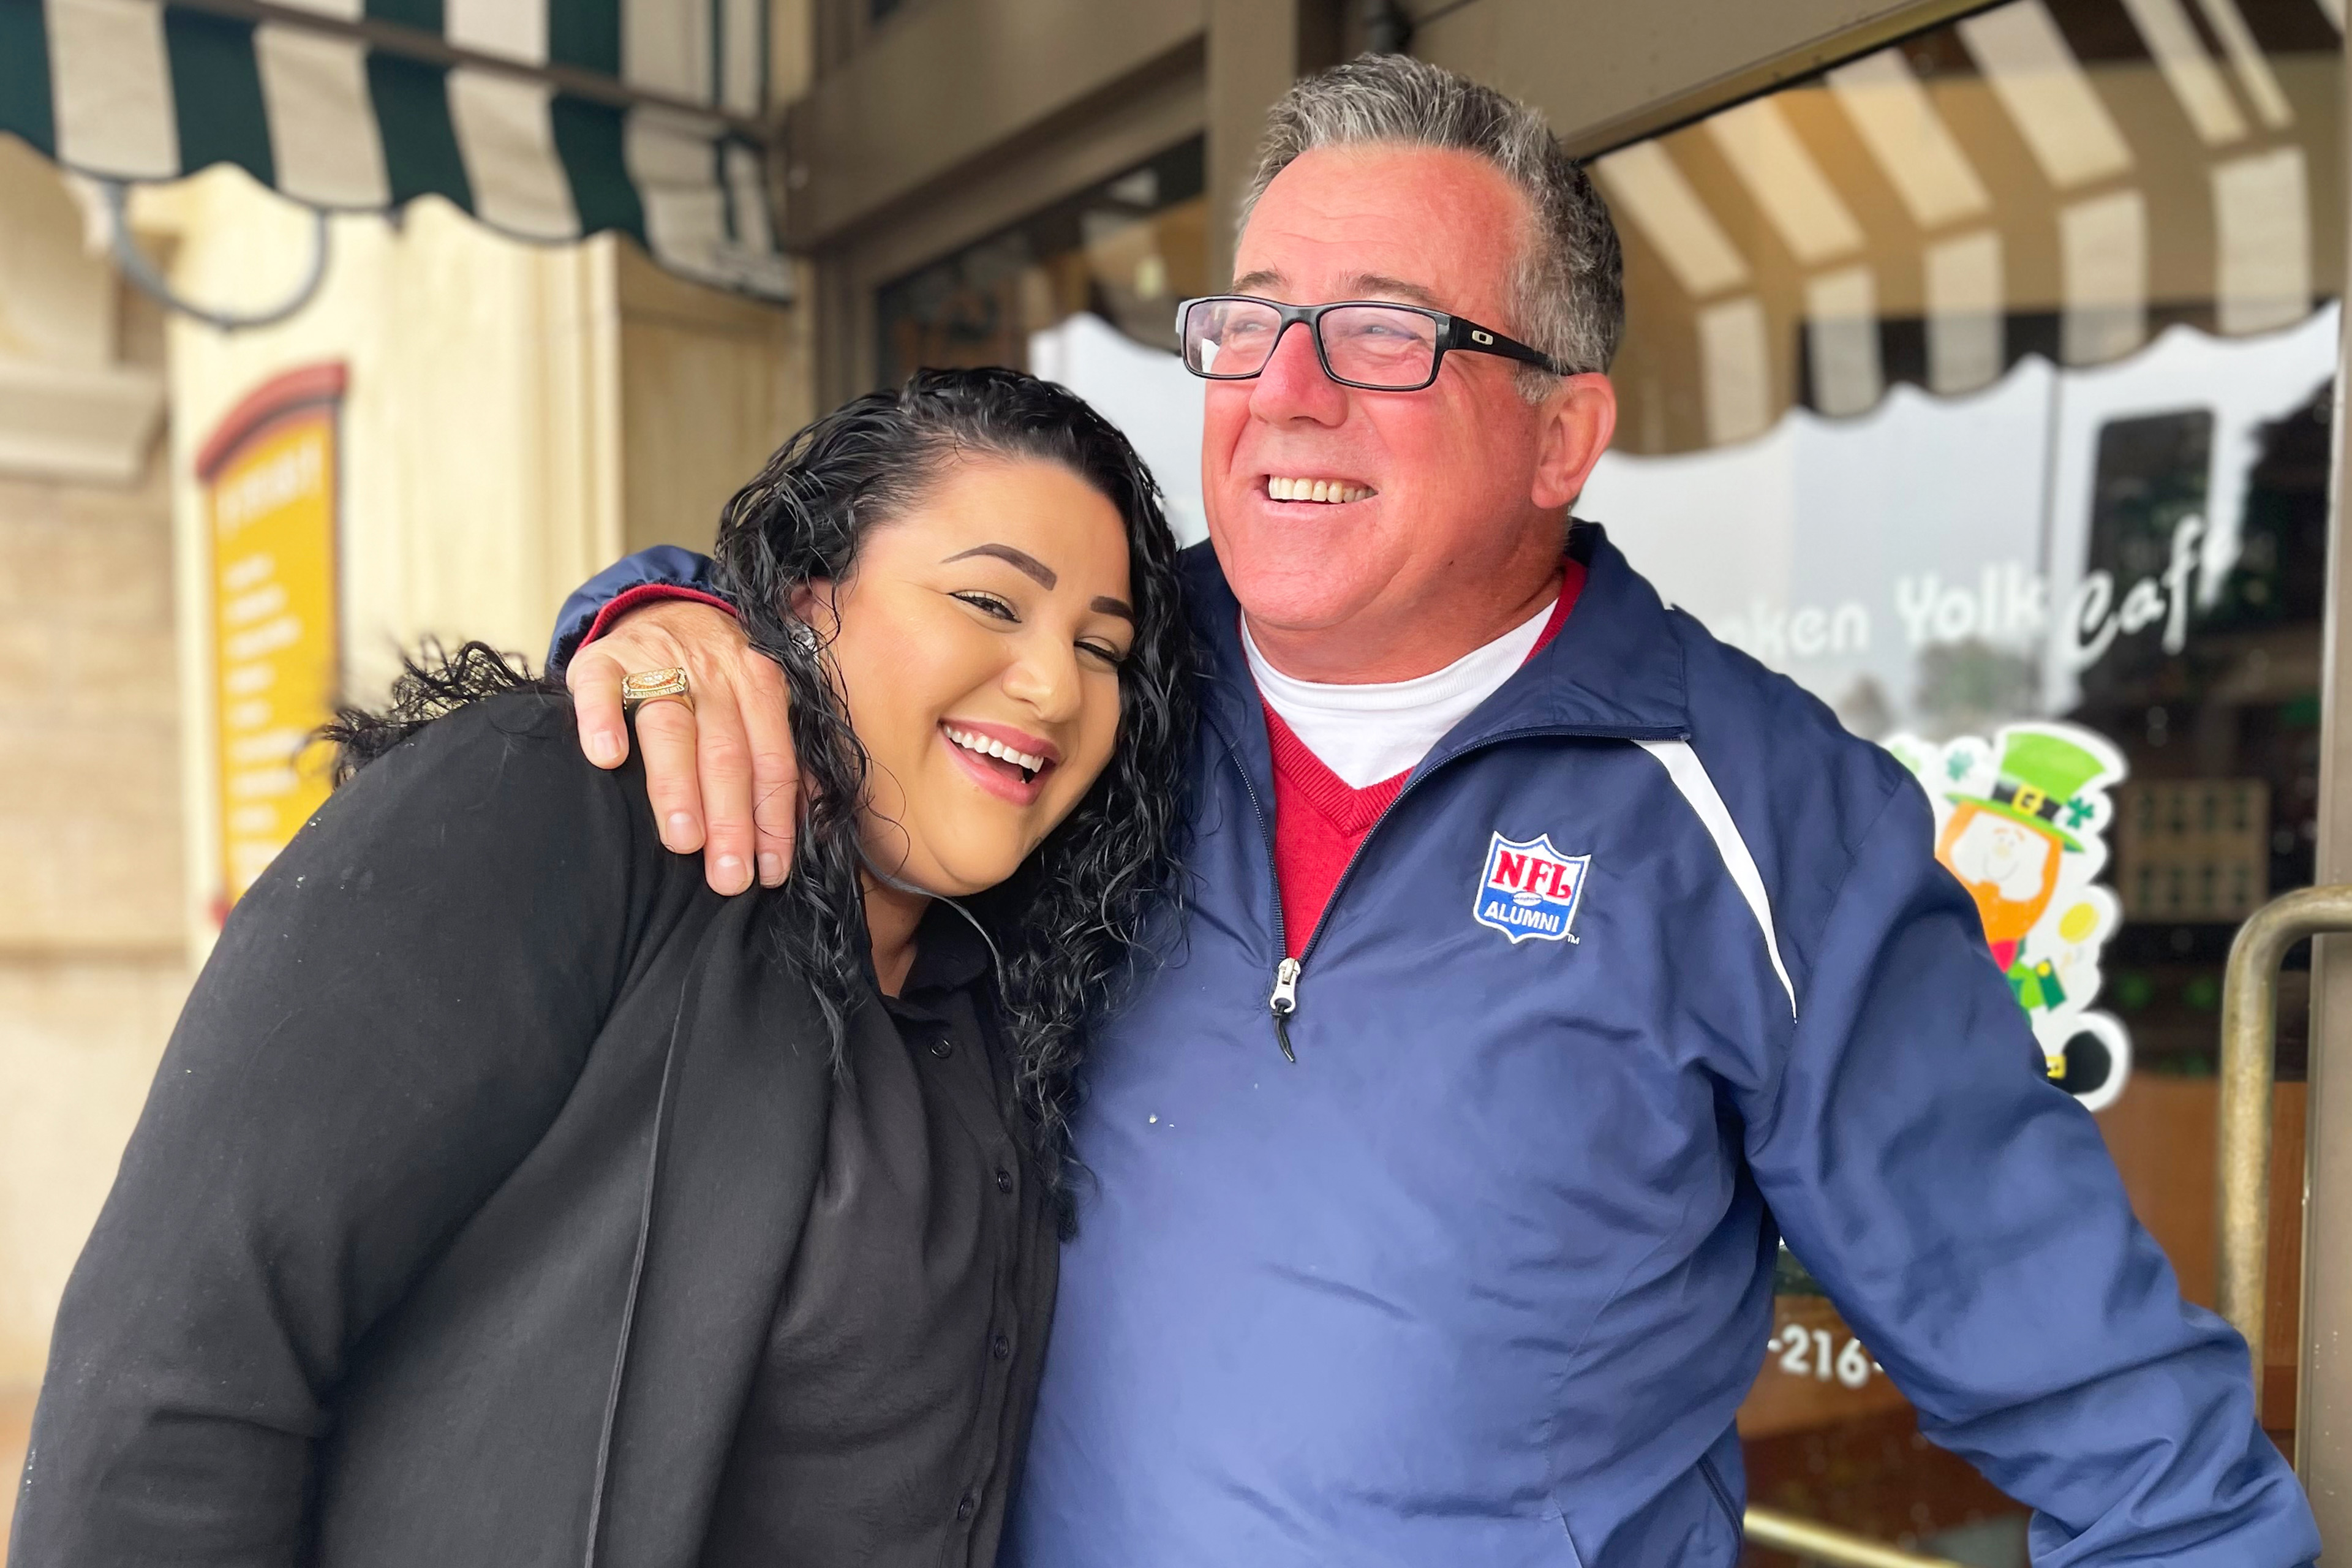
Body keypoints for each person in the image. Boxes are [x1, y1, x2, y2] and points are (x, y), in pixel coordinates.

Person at [551, 56, 2320, 1568]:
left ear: (1563, 436)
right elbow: (805, 636)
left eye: (1385, 335)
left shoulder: (1768, 821)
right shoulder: (1082, 688)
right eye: (1254, 323)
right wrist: (654, 614)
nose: (1286, 392)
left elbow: (2136, 1448)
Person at [7, 368, 1195, 1567]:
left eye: (1101, 647)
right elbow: (179, 1362)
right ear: (802, 598)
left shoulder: (1022, 992)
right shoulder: (561, 811)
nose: (1054, 684)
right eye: (990, 600)